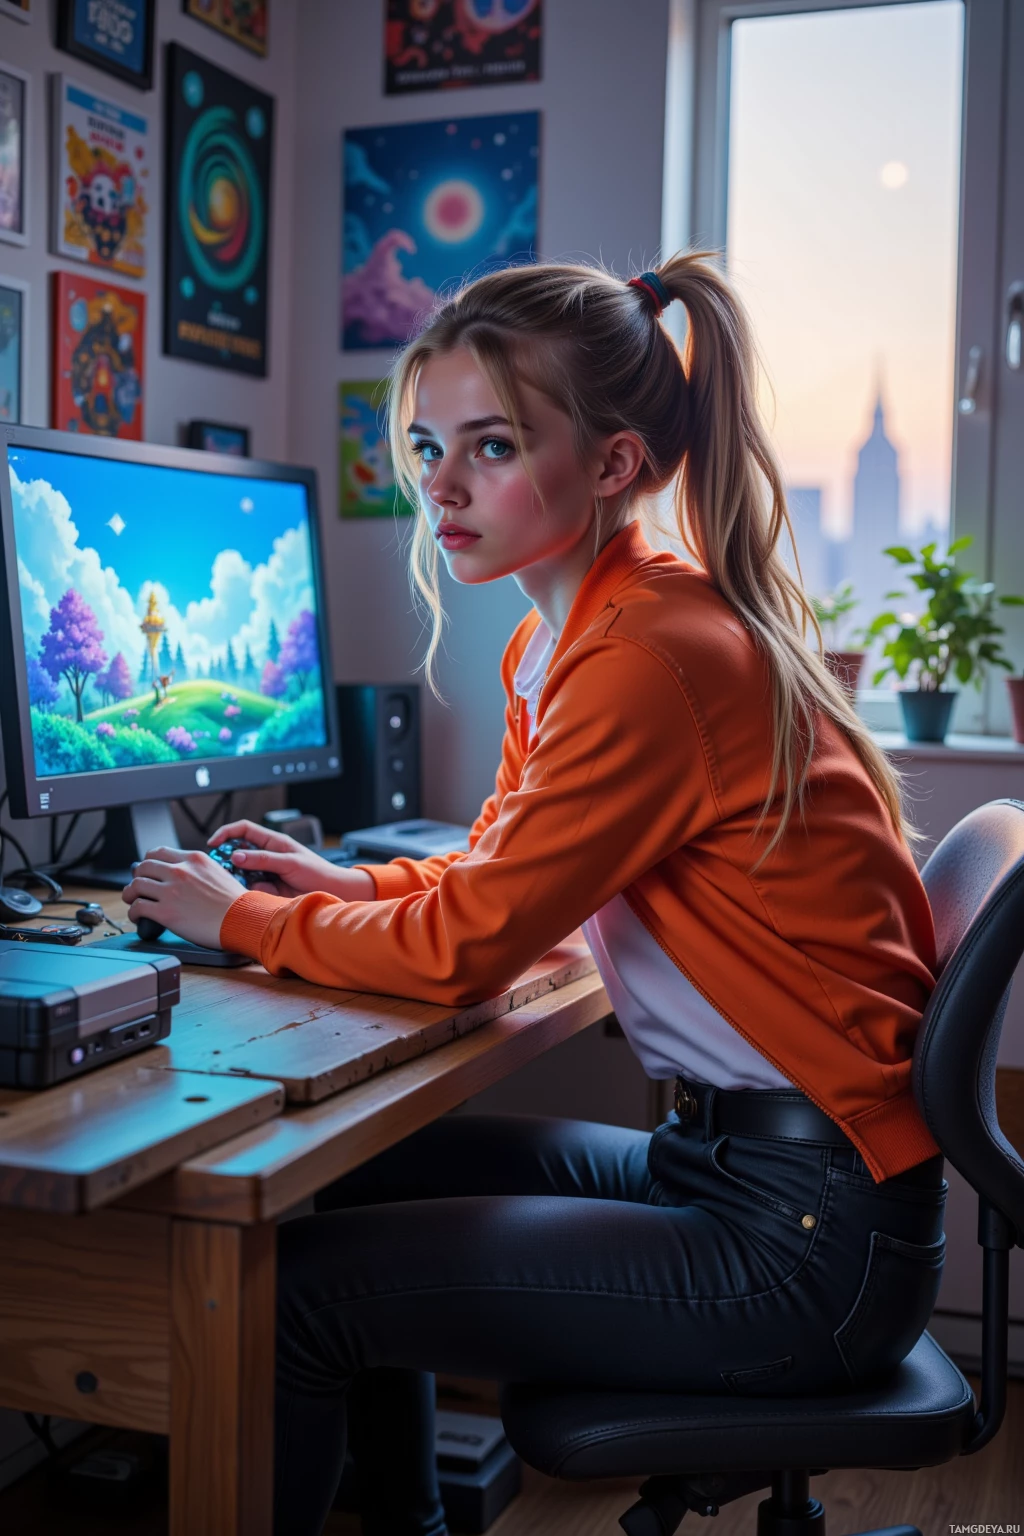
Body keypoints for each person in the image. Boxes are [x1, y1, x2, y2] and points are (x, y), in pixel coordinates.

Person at [122, 252, 947, 1536]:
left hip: (804, 1243)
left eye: (491, 447)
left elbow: (467, 952)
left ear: (613, 466)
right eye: (424, 445)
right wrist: (353, 883)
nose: (439, 486)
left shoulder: (645, 657)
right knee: (330, 1193)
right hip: (738, 1168)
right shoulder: (565, 635)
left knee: (293, 1300)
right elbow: (510, 868)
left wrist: (242, 922)